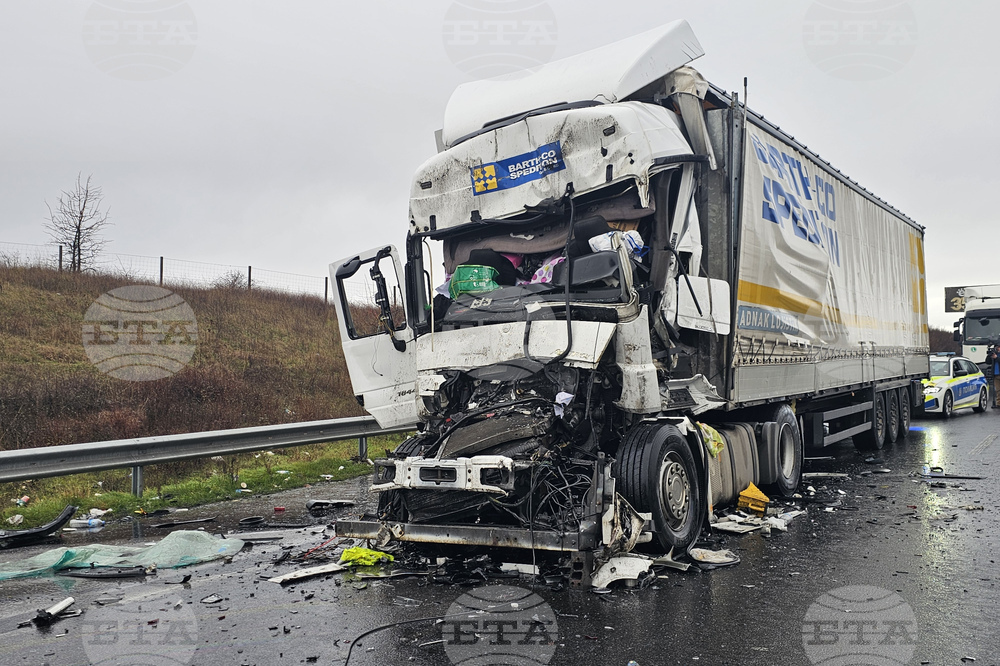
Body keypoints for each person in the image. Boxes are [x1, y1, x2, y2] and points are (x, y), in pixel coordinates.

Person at [988, 343, 1000, 408]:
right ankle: (998, 403)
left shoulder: (997, 356)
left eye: (998, 347)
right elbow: (987, 362)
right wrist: (989, 356)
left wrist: (997, 358)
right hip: (996, 374)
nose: (997, 349)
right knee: (998, 390)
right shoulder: (995, 355)